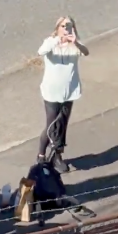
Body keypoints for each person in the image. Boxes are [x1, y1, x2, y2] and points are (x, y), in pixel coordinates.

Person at [37, 16, 89, 174]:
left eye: (69, 25)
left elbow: (86, 52)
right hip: (52, 91)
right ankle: (41, 155)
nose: (66, 28)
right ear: (57, 27)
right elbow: (41, 51)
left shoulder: (74, 44)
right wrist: (57, 39)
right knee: (51, 124)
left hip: (69, 91)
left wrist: (75, 42)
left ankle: (57, 155)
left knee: (62, 124)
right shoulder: (51, 42)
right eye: (63, 25)